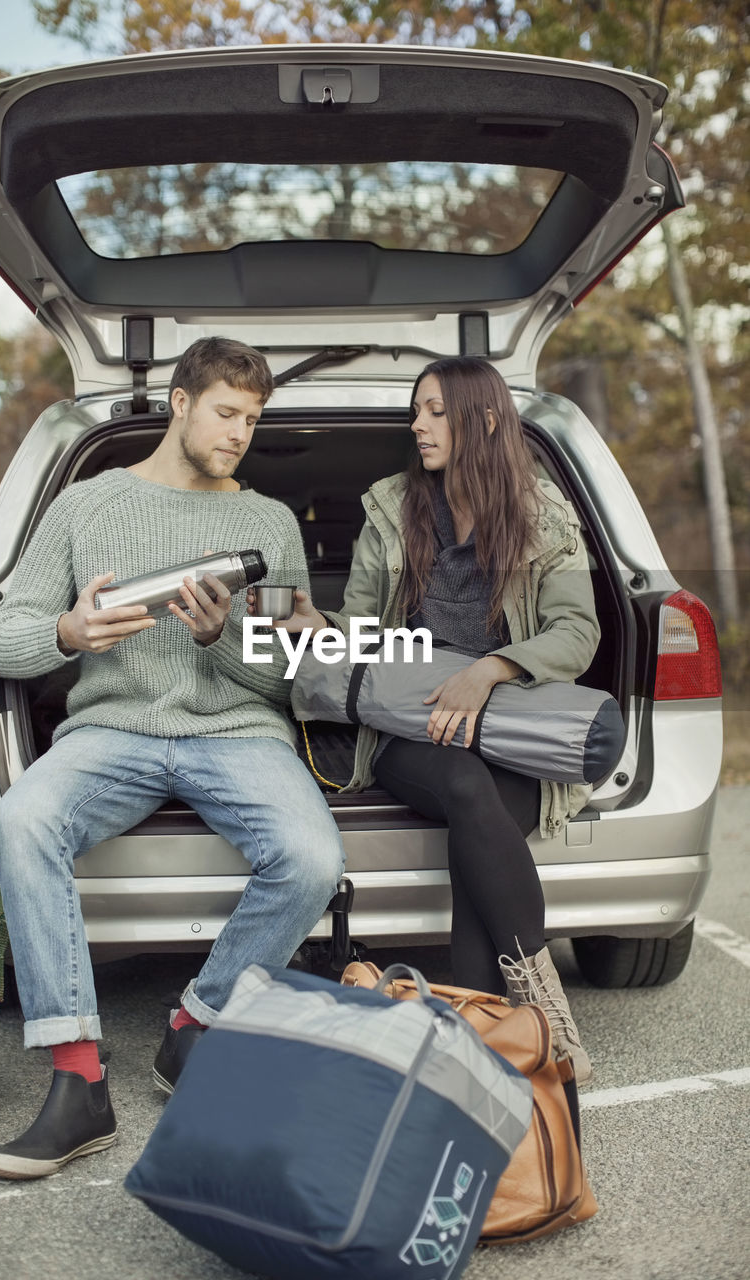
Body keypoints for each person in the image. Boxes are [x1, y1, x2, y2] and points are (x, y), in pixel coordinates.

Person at [0, 337, 345, 1180]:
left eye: (252, 419)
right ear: (179, 402)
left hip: (238, 734)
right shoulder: (86, 505)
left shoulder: (267, 523)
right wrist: (68, 633)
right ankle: (76, 1082)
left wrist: (221, 641)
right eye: (226, 412)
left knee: (311, 857)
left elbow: (293, 675)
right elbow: (4, 639)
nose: (239, 434)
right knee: (22, 818)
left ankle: (194, 1029)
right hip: (112, 731)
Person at [275, 356, 599, 1082]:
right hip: (408, 727)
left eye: (432, 411)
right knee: (463, 788)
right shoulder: (391, 509)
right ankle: (542, 1013)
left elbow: (576, 631)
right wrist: (314, 625)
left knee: (477, 825)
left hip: (509, 727)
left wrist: (490, 670)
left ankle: (479, 1031)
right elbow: (359, 627)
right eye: (414, 411)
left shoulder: (543, 514)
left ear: (482, 419)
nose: (415, 425)